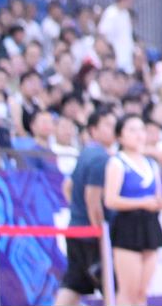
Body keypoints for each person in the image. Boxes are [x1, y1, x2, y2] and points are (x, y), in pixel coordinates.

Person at [104, 115, 162, 306]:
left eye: (141, 129)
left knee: (142, 292)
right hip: (127, 227)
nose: (139, 134)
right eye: (132, 130)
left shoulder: (151, 164)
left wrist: (161, 204)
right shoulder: (117, 162)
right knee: (128, 292)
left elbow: (156, 196)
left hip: (149, 225)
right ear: (120, 136)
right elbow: (110, 200)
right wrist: (141, 203)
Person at [57, 108, 116, 306]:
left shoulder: (86, 153)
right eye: (107, 125)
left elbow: (67, 186)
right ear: (93, 130)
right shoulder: (101, 158)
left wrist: (77, 210)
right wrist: (99, 230)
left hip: (75, 229)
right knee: (112, 286)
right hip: (91, 234)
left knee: (74, 283)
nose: (113, 129)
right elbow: (93, 200)